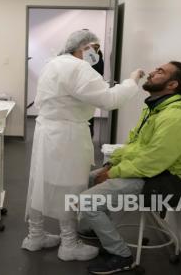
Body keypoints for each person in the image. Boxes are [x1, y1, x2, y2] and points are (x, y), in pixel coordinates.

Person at [22, 29, 145, 261]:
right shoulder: (78, 68)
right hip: (66, 135)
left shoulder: (54, 63)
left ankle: (35, 236)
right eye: (95, 48)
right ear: (84, 47)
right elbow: (109, 100)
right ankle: (69, 244)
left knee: (40, 181)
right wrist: (132, 81)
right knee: (69, 186)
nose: (97, 53)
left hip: (47, 130)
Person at [81, 61, 181, 274]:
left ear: (172, 85)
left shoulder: (175, 117)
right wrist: (113, 162)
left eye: (160, 71)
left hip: (160, 180)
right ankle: (101, 231)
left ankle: (121, 256)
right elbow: (136, 146)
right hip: (146, 172)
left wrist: (112, 172)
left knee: (87, 202)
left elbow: (153, 161)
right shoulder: (155, 109)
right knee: (87, 178)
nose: (152, 72)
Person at [89, 43, 105, 137]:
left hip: (91, 89)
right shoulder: (98, 58)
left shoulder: (95, 58)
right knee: (89, 115)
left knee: (88, 115)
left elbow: (99, 72)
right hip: (92, 89)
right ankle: (90, 135)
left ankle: (89, 135)